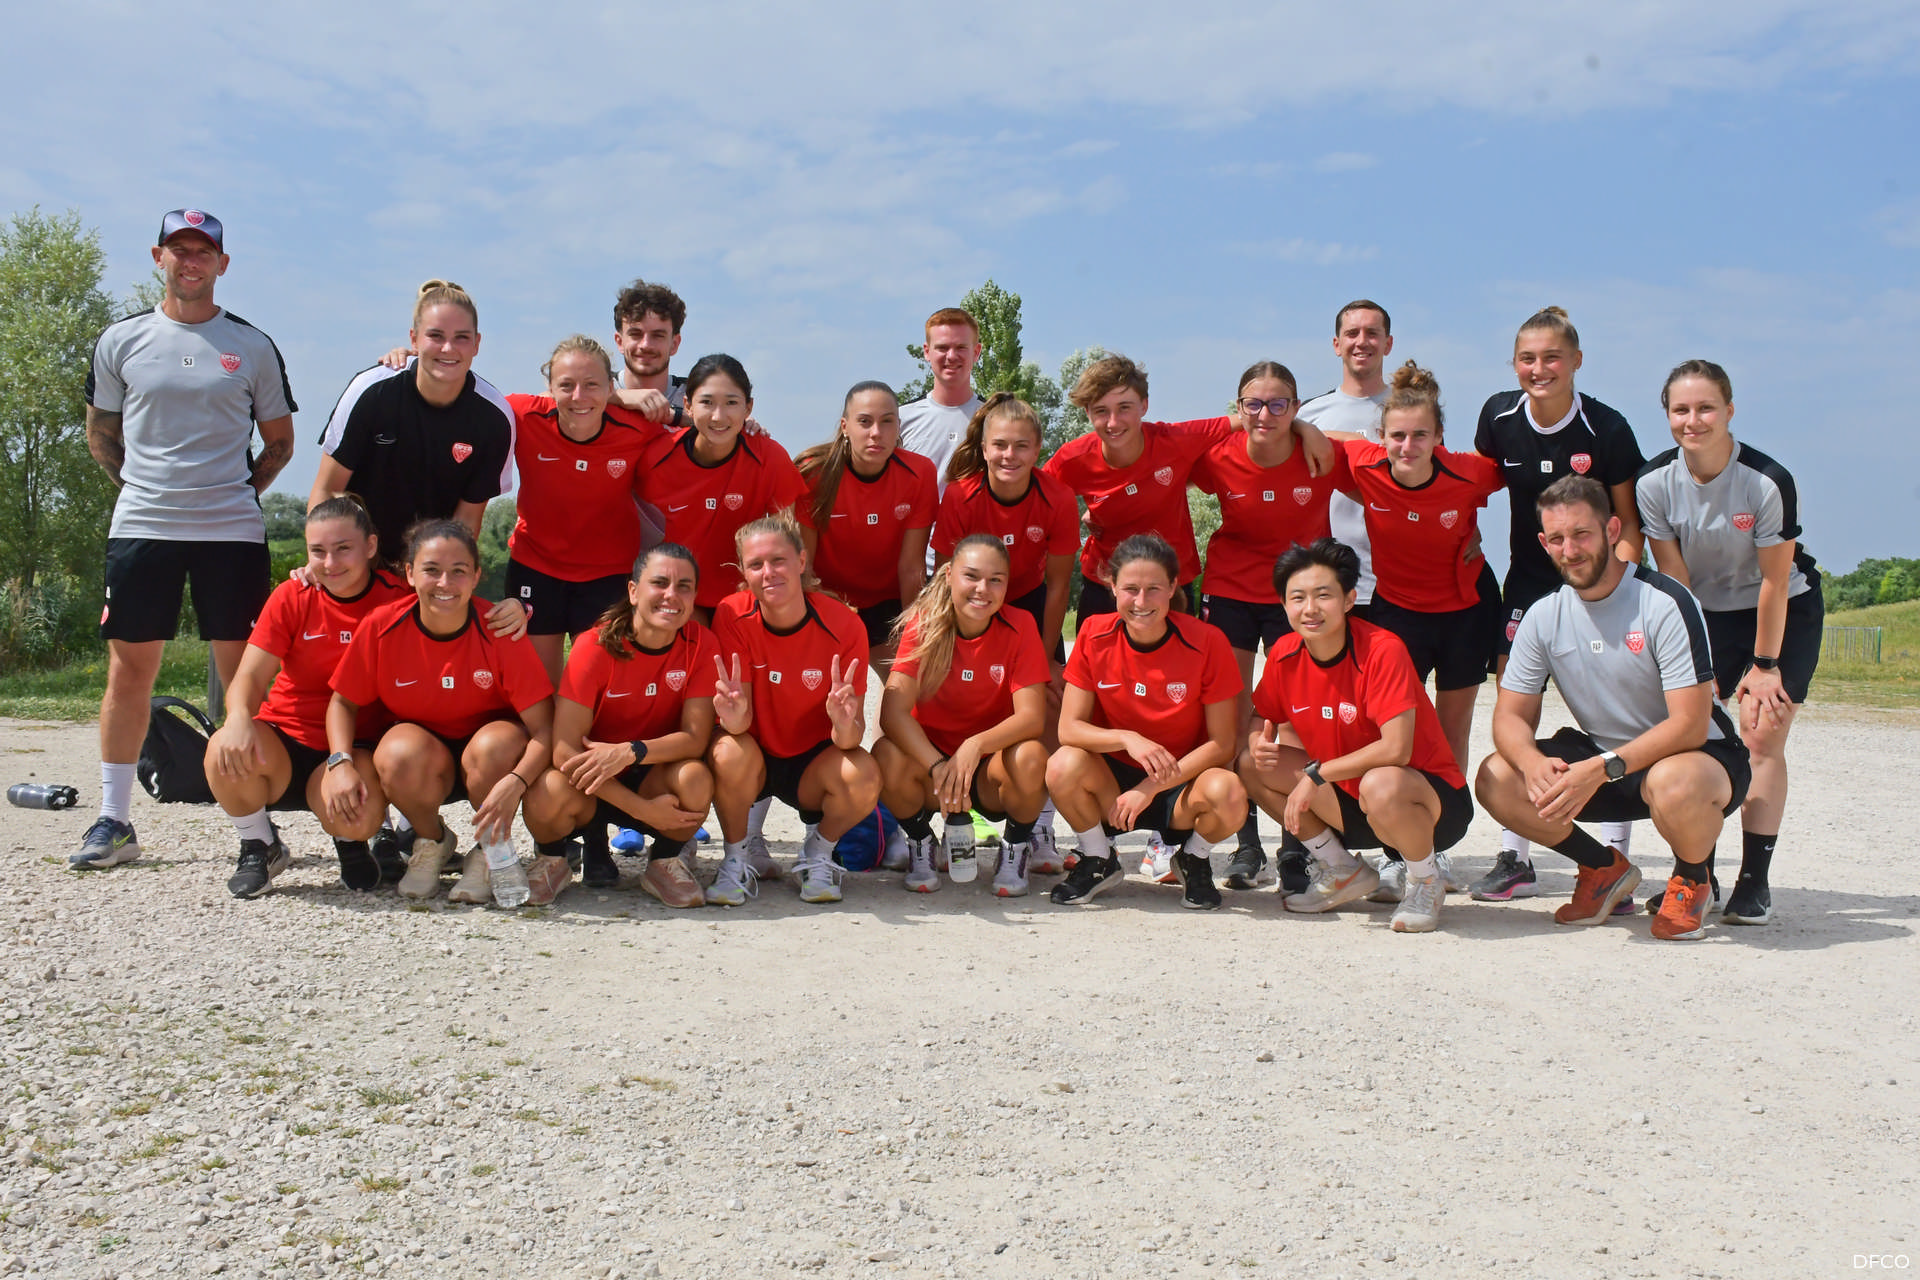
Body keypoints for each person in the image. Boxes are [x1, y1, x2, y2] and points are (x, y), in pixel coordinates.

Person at [74, 208, 298, 870]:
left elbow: (280, 442)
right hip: (144, 524)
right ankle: (115, 820)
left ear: (222, 264)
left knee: (243, 677)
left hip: (231, 530)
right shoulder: (122, 339)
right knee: (129, 672)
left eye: (203, 251)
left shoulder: (251, 345)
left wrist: (235, 492)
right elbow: (100, 433)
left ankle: (257, 830)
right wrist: (145, 490)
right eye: (179, 249)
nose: (191, 260)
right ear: (159, 258)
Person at [1474, 476, 1751, 941]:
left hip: (1697, 759)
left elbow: (1690, 724)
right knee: (1496, 776)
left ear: (1612, 530)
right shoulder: (1543, 615)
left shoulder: (1664, 601)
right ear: (1543, 543)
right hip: (1606, 761)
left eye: (1581, 534)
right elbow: (1509, 716)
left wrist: (1602, 768)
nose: (1570, 550)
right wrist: (1531, 762)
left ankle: (1692, 879)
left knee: (1672, 781)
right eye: (1557, 539)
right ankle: (1603, 869)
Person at [1635, 360, 1821, 925]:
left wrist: (1765, 665)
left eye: (1706, 408)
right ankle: (1698, 875)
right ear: (1668, 415)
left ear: (1729, 411)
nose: (1693, 420)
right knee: (1694, 738)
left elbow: (1774, 582)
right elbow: (1676, 580)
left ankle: (1753, 882)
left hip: (1780, 610)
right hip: (1705, 613)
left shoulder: (1766, 481)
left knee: (1760, 736)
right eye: (1681, 410)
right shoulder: (1653, 482)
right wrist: (1696, 659)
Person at [1470, 306, 1647, 902]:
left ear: (1576, 361)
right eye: (1527, 358)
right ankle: (1515, 856)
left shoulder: (1608, 428)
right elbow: (1472, 487)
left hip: (1596, 583)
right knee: (1515, 710)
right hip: (1527, 583)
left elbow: (1628, 523)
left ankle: (1616, 859)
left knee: (1610, 708)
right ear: (1514, 364)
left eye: (1552, 357)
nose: (1539, 368)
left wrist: (1619, 592)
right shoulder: (1498, 416)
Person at [1237, 539, 1476, 932]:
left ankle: (1425, 882)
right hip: (1352, 797)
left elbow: (1396, 749)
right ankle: (1341, 868)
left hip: (1427, 803)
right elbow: (1260, 713)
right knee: (1250, 765)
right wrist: (1255, 740)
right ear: (1283, 604)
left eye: (1323, 595)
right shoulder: (1284, 653)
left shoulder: (1383, 650)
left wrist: (1316, 775)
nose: (1310, 608)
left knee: (1380, 782)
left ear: (1349, 599)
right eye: (1297, 597)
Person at [1330, 361, 1500, 902]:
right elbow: (1313, 437)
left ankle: (1439, 845)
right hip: (1398, 613)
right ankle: (1396, 848)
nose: (1408, 446)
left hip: (1466, 609)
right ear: (1381, 438)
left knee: (1449, 732)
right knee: (1393, 732)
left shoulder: (1470, 472)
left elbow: (1527, 479)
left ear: (1439, 437)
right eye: (1397, 436)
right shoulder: (1365, 462)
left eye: (1420, 435)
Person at [327, 520, 557, 905]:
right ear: (410, 573)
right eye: (431, 570)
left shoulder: (499, 629)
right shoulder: (382, 626)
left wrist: (516, 782)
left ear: (476, 576)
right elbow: (341, 702)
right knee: (396, 752)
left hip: (490, 758)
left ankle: (488, 852)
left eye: (458, 571)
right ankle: (432, 840)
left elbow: (545, 729)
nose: (445, 583)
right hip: (424, 757)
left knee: (497, 744)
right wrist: (340, 762)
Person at [1191, 361, 1352, 890]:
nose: (1265, 414)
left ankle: (1295, 849)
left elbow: (1388, 464)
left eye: (1279, 404)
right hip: (1231, 589)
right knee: (1235, 716)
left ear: (1296, 407)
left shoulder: (1320, 452)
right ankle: (1247, 847)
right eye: (1254, 404)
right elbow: (1158, 461)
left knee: (1294, 720)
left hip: (1296, 595)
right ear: (1238, 408)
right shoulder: (1218, 455)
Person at [203, 498, 411, 897]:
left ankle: (350, 843)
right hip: (288, 739)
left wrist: (510, 609)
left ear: (370, 546)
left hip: (353, 745)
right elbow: (250, 675)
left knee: (360, 815)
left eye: (343, 548)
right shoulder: (293, 595)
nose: (330, 563)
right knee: (222, 749)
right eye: (318, 551)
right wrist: (238, 719)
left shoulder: (400, 598)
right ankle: (259, 845)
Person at [1045, 535, 1248, 910]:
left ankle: (1193, 859)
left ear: (1173, 587)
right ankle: (1098, 858)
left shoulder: (1208, 641)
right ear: (1112, 586)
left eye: (1153, 588)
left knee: (1230, 792)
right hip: (1112, 785)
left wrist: (1150, 787)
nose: (1141, 602)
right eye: (1131, 589)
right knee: (1062, 764)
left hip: (1179, 781)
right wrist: (1128, 738)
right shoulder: (1093, 633)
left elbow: (1223, 744)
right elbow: (1068, 729)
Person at [1044, 354, 1330, 619]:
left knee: (1179, 659)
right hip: (1104, 582)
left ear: (1144, 405)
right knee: (1095, 659)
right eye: (1101, 411)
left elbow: (1253, 419)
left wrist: (1305, 428)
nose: (1113, 421)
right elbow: (1033, 497)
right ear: (1087, 412)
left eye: (1124, 408)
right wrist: (1070, 517)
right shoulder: (1072, 459)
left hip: (1172, 583)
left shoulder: (1176, 440)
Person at [929, 393, 1080, 873]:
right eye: (999, 445)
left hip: (1030, 601)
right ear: (984, 448)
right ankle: (948, 819)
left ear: (1038, 449)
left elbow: (1059, 584)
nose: (1009, 455)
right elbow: (946, 574)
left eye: (1021, 446)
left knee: (1049, 702)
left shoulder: (1057, 497)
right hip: (969, 601)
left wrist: (1045, 654)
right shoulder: (961, 495)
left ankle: (1039, 827)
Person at [523, 544, 719, 909]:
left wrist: (631, 751)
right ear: (633, 591)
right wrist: (641, 811)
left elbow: (695, 739)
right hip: (591, 782)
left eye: (684, 586)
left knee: (695, 778)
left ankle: (664, 862)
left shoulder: (701, 645)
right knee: (547, 790)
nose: (671, 595)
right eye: (659, 583)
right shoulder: (594, 646)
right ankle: (553, 860)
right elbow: (564, 751)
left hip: (650, 775)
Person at [705, 518, 880, 906]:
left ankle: (817, 853)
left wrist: (844, 721)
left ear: (801, 561)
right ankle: (736, 858)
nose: (768, 573)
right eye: (756, 564)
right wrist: (732, 717)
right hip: (755, 754)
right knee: (726, 750)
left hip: (810, 763)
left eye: (778, 560)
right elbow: (739, 723)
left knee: (863, 774)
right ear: (743, 572)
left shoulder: (844, 624)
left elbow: (850, 739)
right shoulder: (731, 614)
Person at [875, 536, 1051, 895]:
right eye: (971, 576)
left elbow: (1032, 718)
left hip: (988, 771)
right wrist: (938, 766)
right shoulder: (924, 624)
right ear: (948, 575)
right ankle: (922, 842)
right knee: (884, 755)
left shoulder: (1021, 625)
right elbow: (893, 713)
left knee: (1032, 756)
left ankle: (1015, 848)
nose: (983, 589)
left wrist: (975, 745)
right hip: (933, 771)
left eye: (995, 580)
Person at [311, 281, 514, 563]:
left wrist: (435, 574)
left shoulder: (494, 418)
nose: (448, 348)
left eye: (461, 337)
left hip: (428, 569)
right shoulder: (371, 390)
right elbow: (327, 490)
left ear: (477, 343)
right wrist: (321, 562)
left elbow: (466, 520)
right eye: (436, 335)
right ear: (414, 339)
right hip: (355, 564)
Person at [501, 337, 665, 683]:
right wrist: (409, 360)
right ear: (549, 388)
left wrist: (750, 425)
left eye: (592, 385)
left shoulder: (638, 427)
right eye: (566, 385)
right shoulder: (522, 414)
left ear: (610, 387)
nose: (578, 396)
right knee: (538, 686)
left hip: (608, 574)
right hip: (535, 566)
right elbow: (463, 394)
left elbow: (704, 427)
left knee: (595, 686)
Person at [634, 355, 807, 618]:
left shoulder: (770, 457)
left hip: (748, 599)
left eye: (731, 403)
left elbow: (788, 542)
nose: (718, 416)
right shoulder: (657, 458)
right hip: (678, 597)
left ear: (748, 408)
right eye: (707, 402)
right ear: (688, 406)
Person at [795, 381, 938, 661]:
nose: (876, 433)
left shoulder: (919, 472)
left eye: (887, 422)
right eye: (864, 422)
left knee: (909, 680)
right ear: (845, 427)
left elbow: (912, 567)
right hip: (829, 600)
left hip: (888, 603)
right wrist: (823, 612)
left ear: (898, 427)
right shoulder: (813, 472)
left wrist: (912, 637)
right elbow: (804, 566)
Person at [1296, 300, 1394, 611]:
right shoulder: (1307, 415)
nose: (1362, 341)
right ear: (1337, 345)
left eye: (1372, 333)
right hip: (1328, 583)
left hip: (1396, 583)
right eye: (1352, 333)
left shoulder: (1411, 412)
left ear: (1388, 344)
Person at [898, 307, 984, 492]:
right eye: (942, 348)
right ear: (927, 352)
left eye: (961, 347)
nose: (951, 356)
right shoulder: (900, 419)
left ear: (976, 352)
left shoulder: (993, 418)